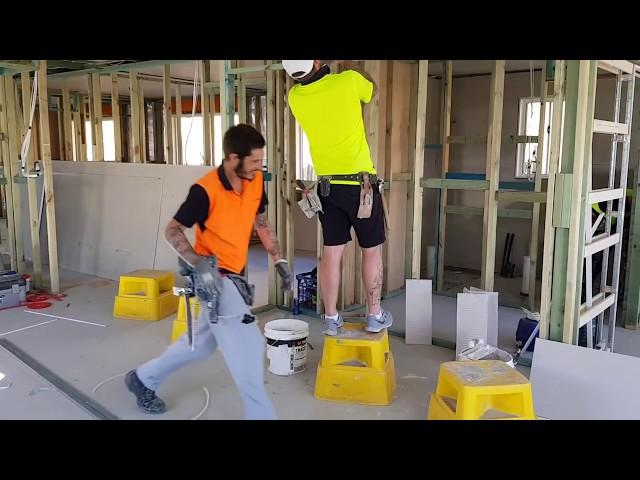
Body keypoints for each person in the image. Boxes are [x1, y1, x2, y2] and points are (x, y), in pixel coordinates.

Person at [124, 124, 292, 419]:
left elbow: (261, 221)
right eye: (253, 162)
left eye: (260, 162)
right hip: (215, 278)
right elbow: (173, 230)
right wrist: (198, 264)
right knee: (249, 344)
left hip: (236, 274)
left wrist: (278, 259)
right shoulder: (205, 191)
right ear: (232, 158)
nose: (258, 168)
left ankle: (141, 379)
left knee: (199, 346)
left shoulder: (253, 181)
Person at [283, 59, 393, 336]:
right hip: (361, 188)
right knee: (371, 250)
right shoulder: (347, 82)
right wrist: (352, 69)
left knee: (332, 252)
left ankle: (331, 319)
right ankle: (375, 315)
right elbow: (373, 91)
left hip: (327, 188)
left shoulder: (294, 97)